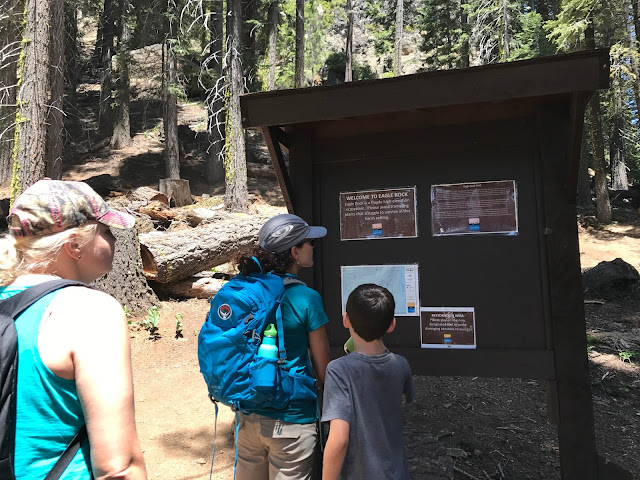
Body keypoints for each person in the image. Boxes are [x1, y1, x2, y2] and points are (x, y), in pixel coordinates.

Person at [0, 179, 147, 480]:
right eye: (106, 231)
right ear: (74, 245)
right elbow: (118, 467)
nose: (115, 241)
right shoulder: (87, 310)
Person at [232, 213, 332, 480]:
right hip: (292, 420)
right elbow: (324, 370)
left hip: (248, 415)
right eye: (309, 242)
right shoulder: (307, 298)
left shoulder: (244, 292)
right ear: (295, 252)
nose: (313, 246)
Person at [321, 284, 414, 480]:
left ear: (346, 320)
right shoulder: (401, 365)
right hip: (397, 473)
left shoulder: (339, 370)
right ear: (392, 324)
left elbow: (339, 439)